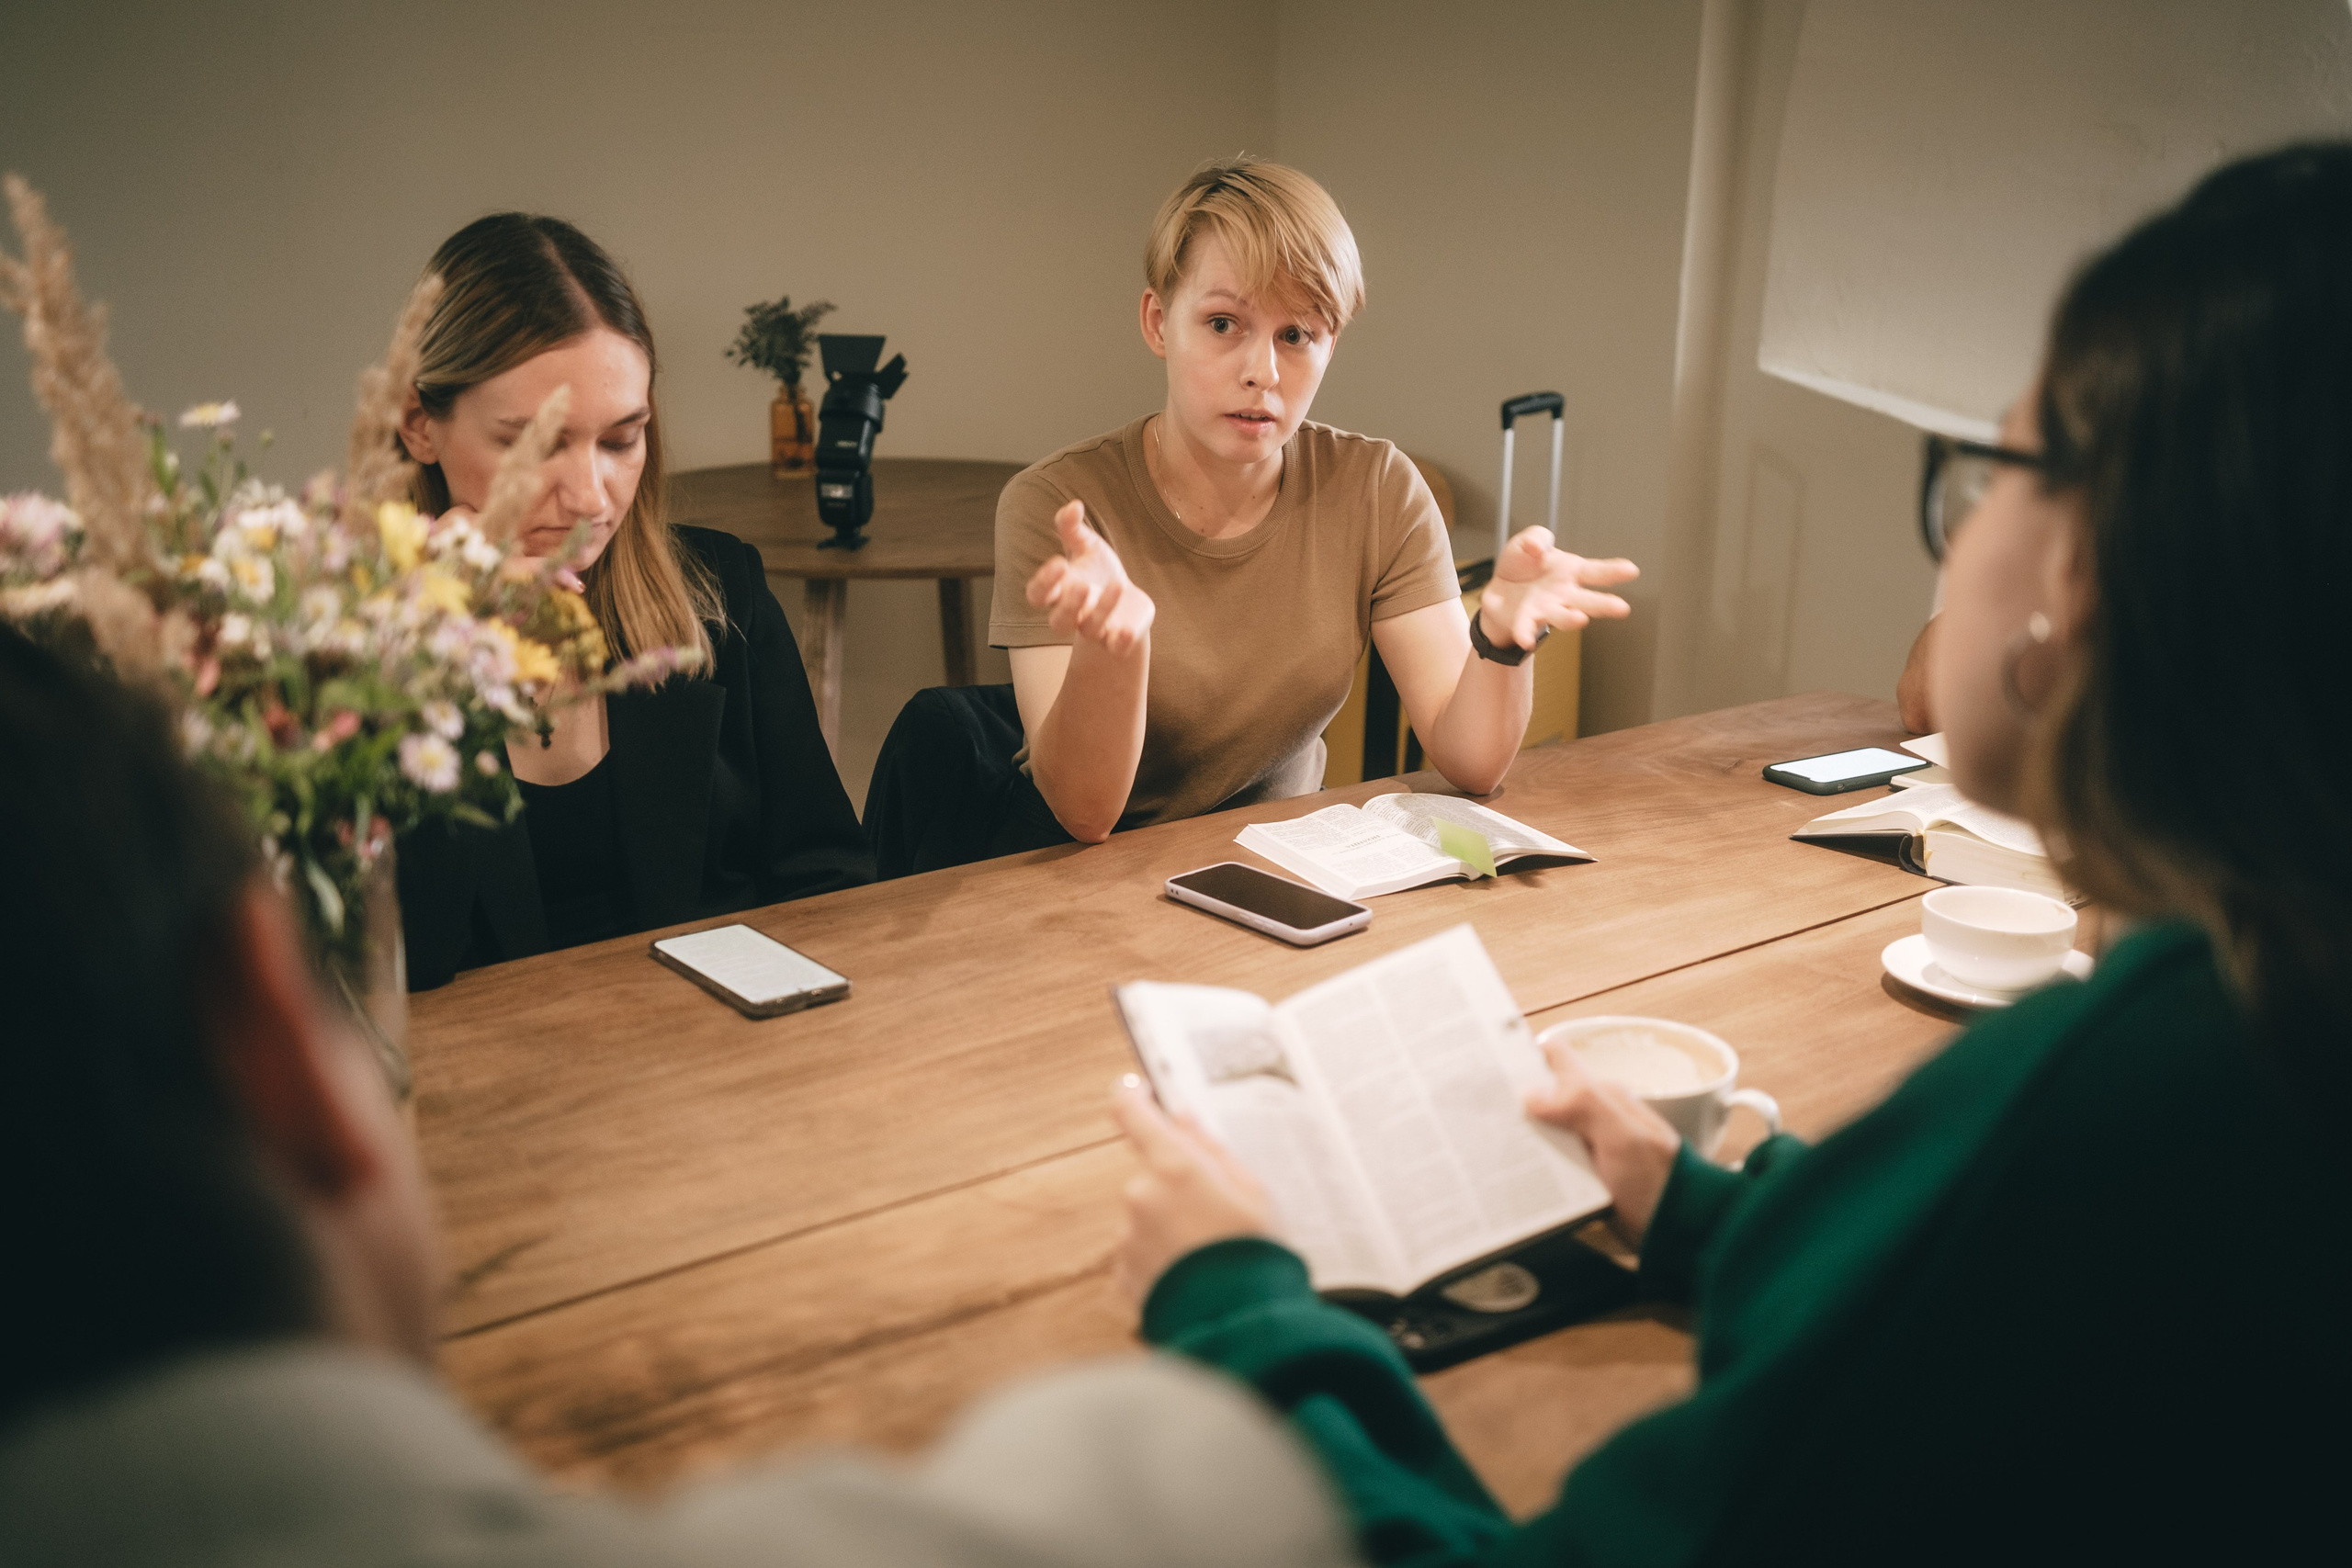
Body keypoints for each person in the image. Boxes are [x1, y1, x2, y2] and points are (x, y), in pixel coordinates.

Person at [1104, 142, 2352, 1562]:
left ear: (2113, 571)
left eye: (1999, 464)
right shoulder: (2265, 1033)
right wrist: (1699, 1204)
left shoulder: (2130, 1096)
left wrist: (1235, 1302)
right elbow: (1936, 1287)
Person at [0, 624, 1351, 1568]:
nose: (585, 479)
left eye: (622, 433)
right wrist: (1236, 1281)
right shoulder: (368, 675)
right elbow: (1216, 1479)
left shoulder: (712, 614)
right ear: (279, 1039)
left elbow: (826, 872)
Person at [989, 159, 1641, 843]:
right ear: (1158, 322)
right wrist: (1111, 650)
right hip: (1083, 884)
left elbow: (1473, 762)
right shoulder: (1060, 505)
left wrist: (1502, 643)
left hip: (1286, 865)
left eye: (1296, 335)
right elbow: (1085, 815)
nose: (1262, 372)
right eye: (1221, 324)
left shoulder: (1376, 489)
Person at [391, 214, 869, 988]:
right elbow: (389, 970)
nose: (589, 498)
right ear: (420, 425)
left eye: (621, 440)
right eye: (534, 441)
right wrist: (439, 657)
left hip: (717, 1073)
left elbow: (833, 887)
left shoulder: (721, 596)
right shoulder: (342, 654)